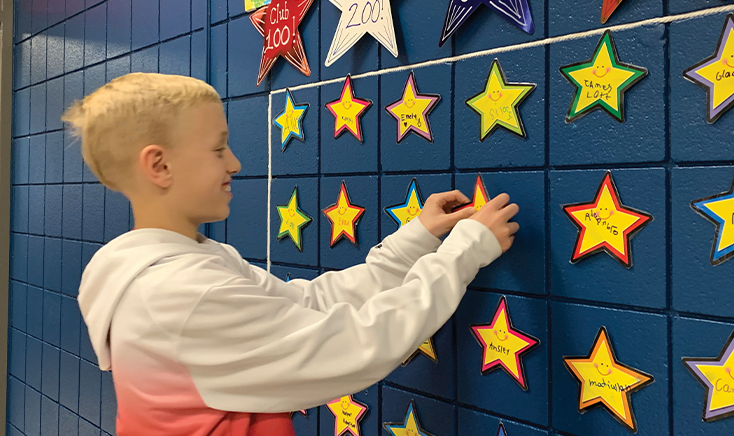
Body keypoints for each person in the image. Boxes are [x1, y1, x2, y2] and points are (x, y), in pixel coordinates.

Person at [63, 73, 519, 436]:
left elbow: (309, 304)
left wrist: (415, 241)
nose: (235, 164)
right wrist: (464, 252)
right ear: (159, 166)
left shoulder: (185, 262)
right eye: (218, 148)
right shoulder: (176, 293)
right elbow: (358, 344)